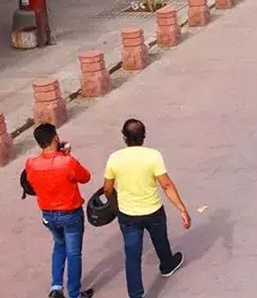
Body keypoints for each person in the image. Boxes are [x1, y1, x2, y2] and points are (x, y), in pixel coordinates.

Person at [103, 119, 190, 298]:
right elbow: (166, 185)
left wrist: (114, 201)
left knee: (132, 255)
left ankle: (136, 294)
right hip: (153, 210)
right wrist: (182, 209)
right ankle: (167, 264)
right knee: (160, 239)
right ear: (144, 136)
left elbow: (107, 188)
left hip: (128, 213)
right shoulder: (153, 156)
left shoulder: (115, 158)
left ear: (124, 137)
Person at [25, 123, 94, 298]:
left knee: (59, 246)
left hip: (48, 214)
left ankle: (56, 287)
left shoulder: (31, 164)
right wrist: (66, 154)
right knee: (73, 253)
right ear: (55, 138)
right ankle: (74, 293)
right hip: (70, 213)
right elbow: (85, 177)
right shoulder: (67, 162)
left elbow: (31, 183)